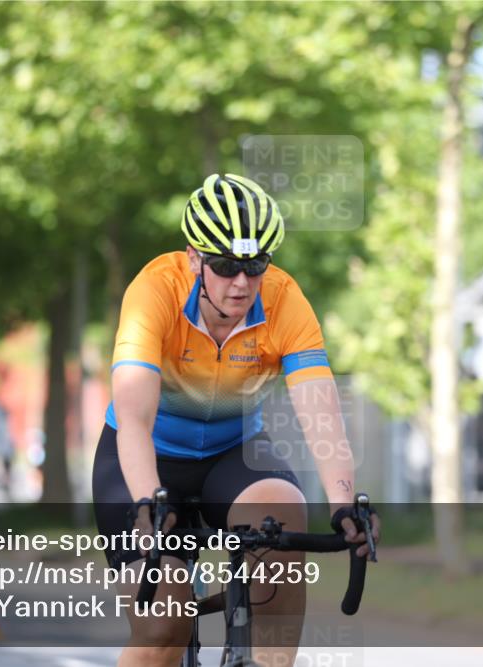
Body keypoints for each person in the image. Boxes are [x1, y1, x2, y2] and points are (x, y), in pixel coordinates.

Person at [93, 173, 381, 667]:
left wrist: (342, 502)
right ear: (193, 258)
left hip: (232, 455)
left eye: (255, 265)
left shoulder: (286, 300)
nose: (242, 283)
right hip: (143, 458)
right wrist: (148, 505)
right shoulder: (154, 291)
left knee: (285, 515)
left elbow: (321, 414)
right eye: (226, 266)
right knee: (165, 624)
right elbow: (135, 418)